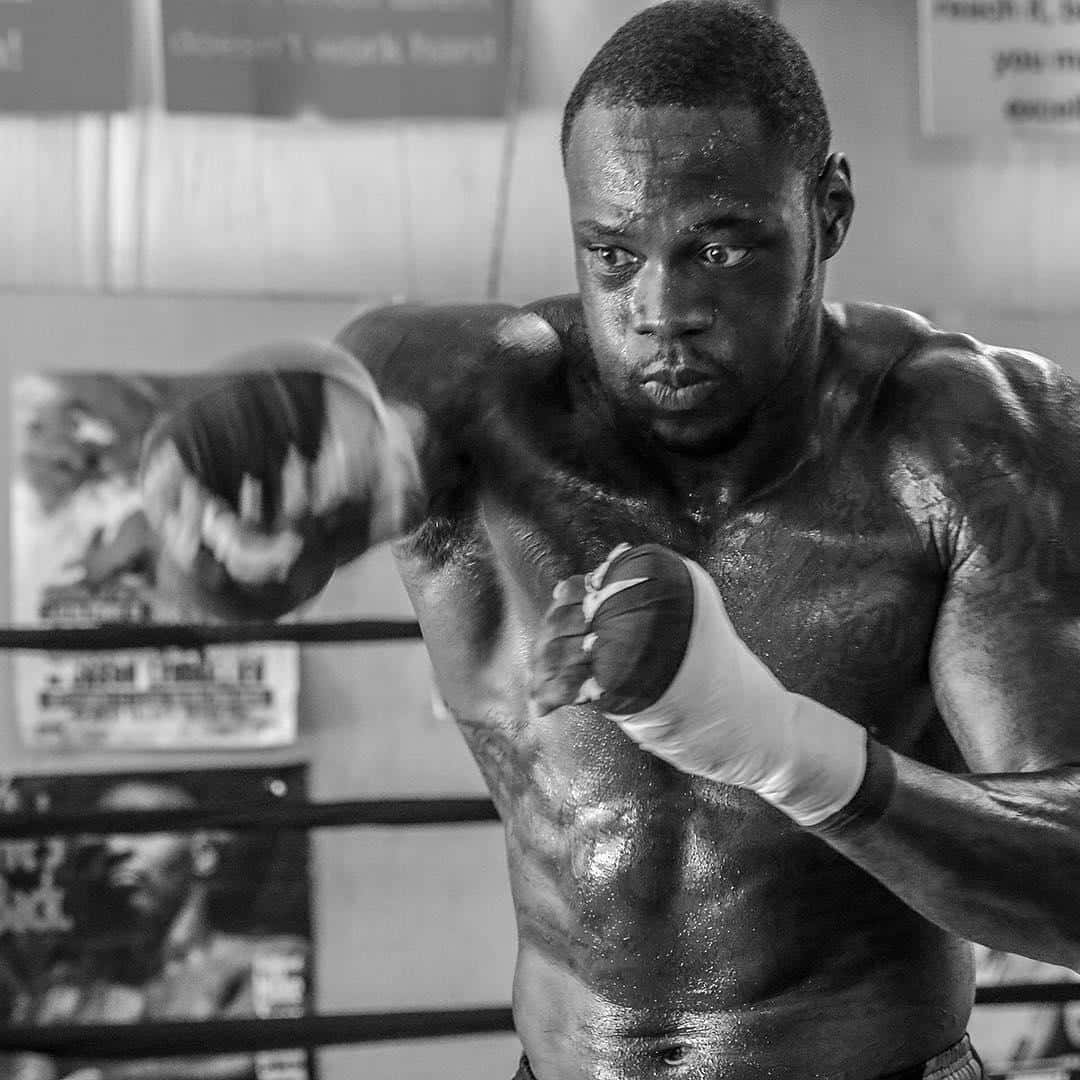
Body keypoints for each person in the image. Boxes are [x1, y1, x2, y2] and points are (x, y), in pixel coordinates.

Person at [138, 2, 1080, 1076]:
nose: (660, 308)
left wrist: (789, 750)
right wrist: (225, 512)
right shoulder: (480, 408)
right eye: (614, 254)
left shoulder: (972, 450)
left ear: (830, 208)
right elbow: (256, 557)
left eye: (720, 247)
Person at [2, 782, 307, 1080]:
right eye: (103, 834)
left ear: (204, 853)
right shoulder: (63, 992)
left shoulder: (264, 960)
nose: (115, 847)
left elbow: (263, 1063)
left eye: (140, 829)